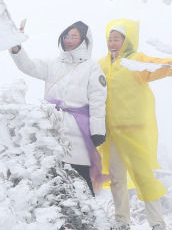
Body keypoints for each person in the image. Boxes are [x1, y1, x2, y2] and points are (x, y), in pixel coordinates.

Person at [96, 19, 172, 230]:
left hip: (135, 131)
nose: (112, 43)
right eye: (110, 38)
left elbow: (163, 65)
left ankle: (158, 225)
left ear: (127, 40)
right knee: (117, 178)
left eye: (117, 39)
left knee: (145, 177)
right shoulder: (101, 64)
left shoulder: (136, 61)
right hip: (111, 133)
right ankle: (121, 221)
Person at [9, 21, 107, 195]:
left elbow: (98, 100)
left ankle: (88, 217)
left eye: (74, 36)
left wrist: (98, 131)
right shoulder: (53, 64)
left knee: (80, 175)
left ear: (84, 40)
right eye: (66, 36)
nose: (68, 40)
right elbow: (28, 66)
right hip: (51, 125)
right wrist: (16, 46)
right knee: (52, 173)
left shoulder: (92, 67)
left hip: (78, 129)